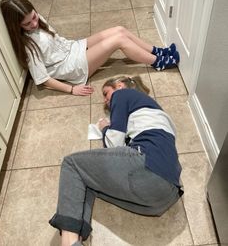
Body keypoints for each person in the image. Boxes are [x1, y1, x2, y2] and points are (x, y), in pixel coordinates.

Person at [49, 75, 183, 246]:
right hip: (165, 197)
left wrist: (105, 128)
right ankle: (76, 242)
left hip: (147, 167)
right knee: (86, 180)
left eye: (106, 94)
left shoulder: (122, 94)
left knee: (71, 164)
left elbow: (114, 142)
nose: (106, 101)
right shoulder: (155, 113)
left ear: (119, 85)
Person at [0, 0, 180, 96]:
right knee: (118, 41)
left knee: (120, 30)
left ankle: (157, 51)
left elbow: (57, 41)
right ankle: (158, 62)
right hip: (72, 66)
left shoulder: (37, 21)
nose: (33, 23)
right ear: (17, 26)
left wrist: (77, 46)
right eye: (27, 24)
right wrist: (72, 89)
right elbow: (43, 79)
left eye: (34, 16)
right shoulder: (28, 46)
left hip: (73, 48)